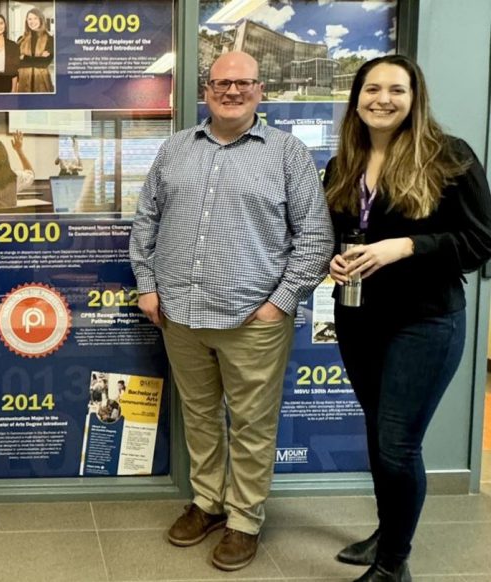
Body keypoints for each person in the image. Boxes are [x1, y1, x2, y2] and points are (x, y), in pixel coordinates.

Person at [129, 51, 332, 571]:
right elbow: (145, 220)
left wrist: (278, 305)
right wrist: (148, 287)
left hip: (253, 322)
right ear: (206, 90)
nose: (231, 91)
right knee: (199, 417)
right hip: (180, 316)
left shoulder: (287, 154)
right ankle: (208, 502)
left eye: (243, 83)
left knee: (252, 425)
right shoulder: (176, 149)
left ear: (260, 90)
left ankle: (244, 519)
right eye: (221, 83)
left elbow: (314, 238)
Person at [324, 55, 491, 582]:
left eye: (397, 89)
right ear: (357, 97)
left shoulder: (448, 156)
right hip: (359, 318)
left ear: (415, 98)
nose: (383, 99)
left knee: (397, 443)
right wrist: (334, 257)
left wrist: (407, 246)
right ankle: (388, 530)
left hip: (424, 323)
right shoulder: (344, 163)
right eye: (372, 88)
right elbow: (342, 233)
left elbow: (480, 241)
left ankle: (394, 563)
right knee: (379, 436)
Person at [16, 8, 53, 93]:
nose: (32, 21)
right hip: (23, 84)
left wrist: (24, 58)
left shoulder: (49, 39)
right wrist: (38, 59)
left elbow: (44, 63)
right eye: (30, 19)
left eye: (35, 18)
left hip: (43, 83)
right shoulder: (21, 40)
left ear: (41, 19)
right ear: (26, 21)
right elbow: (16, 62)